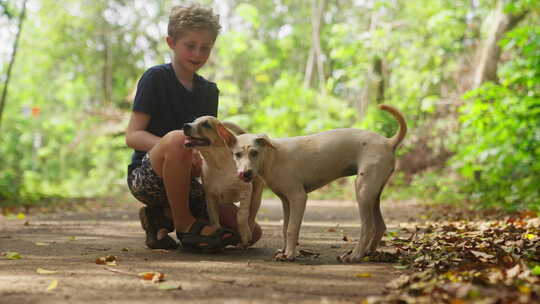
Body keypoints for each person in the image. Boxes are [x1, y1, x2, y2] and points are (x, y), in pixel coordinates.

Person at [125, 4, 261, 252]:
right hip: (148, 176)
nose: (198, 53)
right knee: (179, 139)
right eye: (190, 45)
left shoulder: (209, 91)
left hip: (190, 184)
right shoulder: (155, 78)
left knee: (250, 234)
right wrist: (182, 150)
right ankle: (184, 223)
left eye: (205, 47)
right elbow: (132, 136)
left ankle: (160, 220)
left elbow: (211, 144)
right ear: (171, 42)